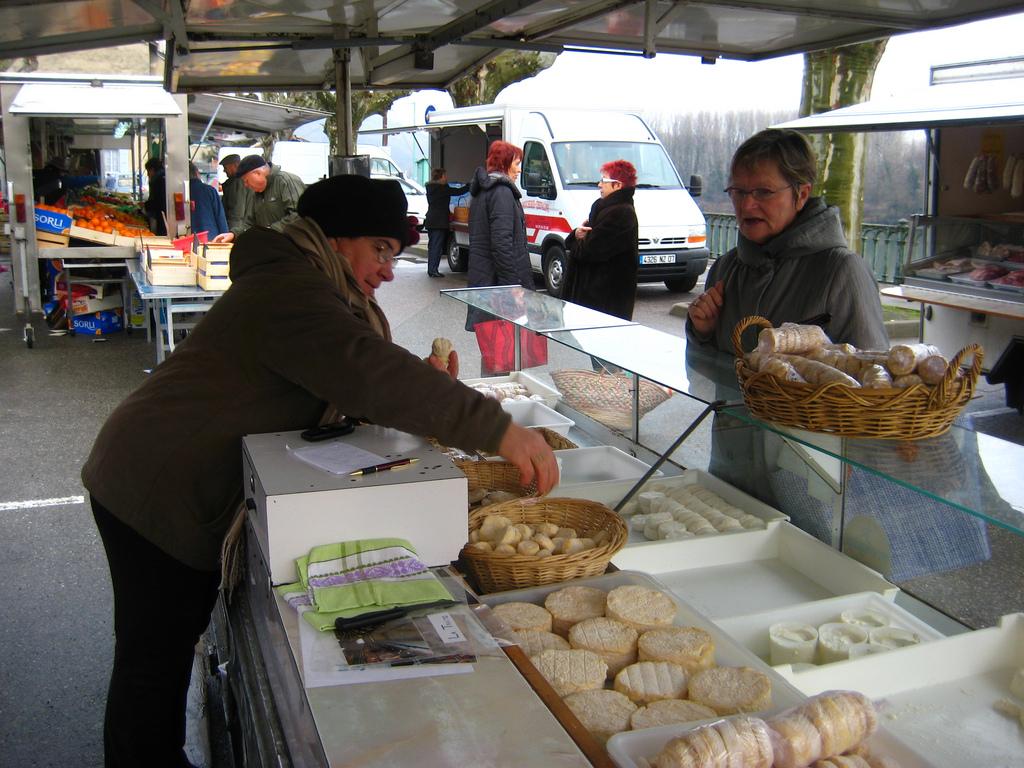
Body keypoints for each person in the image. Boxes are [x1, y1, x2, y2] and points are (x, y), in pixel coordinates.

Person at [81, 174, 558, 767]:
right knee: (154, 657)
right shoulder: (288, 288)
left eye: (394, 253)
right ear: (335, 240)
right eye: (380, 249)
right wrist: (496, 427)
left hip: (171, 473)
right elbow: (359, 367)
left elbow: (346, 366)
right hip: (155, 482)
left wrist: (429, 386)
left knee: (165, 648)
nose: (388, 270)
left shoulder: (309, 284)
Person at [685, 128, 887, 352]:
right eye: (738, 191)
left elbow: (874, 375)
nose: (746, 205)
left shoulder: (842, 272)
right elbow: (704, 375)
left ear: (801, 195)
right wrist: (702, 332)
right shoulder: (725, 269)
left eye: (763, 192)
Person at [465, 140, 533, 332]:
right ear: (504, 163)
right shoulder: (502, 192)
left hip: (485, 281)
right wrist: (513, 287)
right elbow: (502, 244)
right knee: (506, 351)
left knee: (493, 349)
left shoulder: (482, 192)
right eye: (517, 163)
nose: (519, 170)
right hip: (499, 287)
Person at [562, 159, 639, 320]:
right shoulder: (604, 208)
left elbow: (591, 250)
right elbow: (585, 240)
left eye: (603, 180)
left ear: (617, 185)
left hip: (606, 300)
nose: (599, 184)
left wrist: (578, 241)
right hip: (595, 297)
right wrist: (576, 235)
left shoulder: (621, 213)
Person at [211, 154, 305, 243]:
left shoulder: (286, 181)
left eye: (246, 180)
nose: (246, 185)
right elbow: (250, 224)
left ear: (257, 173)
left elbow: (299, 216)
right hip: (272, 248)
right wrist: (233, 234)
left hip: (293, 249)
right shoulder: (256, 193)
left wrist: (270, 231)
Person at [424, 167, 469, 277]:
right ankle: (433, 270)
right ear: (441, 177)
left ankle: (431, 269)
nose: (447, 178)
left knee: (432, 246)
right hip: (438, 222)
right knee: (436, 247)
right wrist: (469, 186)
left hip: (431, 220)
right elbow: (458, 191)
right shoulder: (442, 189)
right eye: (445, 176)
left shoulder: (431, 188)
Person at [188, 162, 229, 238]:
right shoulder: (210, 190)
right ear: (197, 173)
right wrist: (225, 236)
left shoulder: (182, 191)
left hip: (187, 239)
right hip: (211, 238)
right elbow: (220, 217)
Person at [218, 153, 248, 232]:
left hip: (236, 227)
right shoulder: (235, 182)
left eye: (225, 167)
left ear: (235, 165)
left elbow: (237, 212)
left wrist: (233, 232)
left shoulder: (238, 182)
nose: (224, 171)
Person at [144, 157, 168, 236]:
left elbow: (157, 201)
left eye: (148, 171)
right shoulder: (165, 176)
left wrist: (146, 205)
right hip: (166, 215)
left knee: (163, 235)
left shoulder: (157, 180)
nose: (148, 174)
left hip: (162, 217)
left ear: (152, 169)